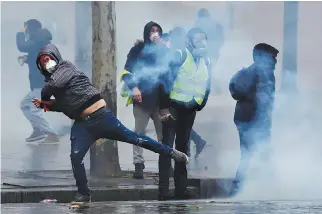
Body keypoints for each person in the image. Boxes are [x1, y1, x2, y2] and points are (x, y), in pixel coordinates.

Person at [32, 43, 189, 203]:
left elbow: (51, 87)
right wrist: (48, 105)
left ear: (55, 57)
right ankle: (84, 194)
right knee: (75, 156)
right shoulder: (55, 84)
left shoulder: (66, 68)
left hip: (102, 117)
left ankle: (170, 152)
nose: (46, 64)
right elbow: (65, 105)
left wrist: (45, 99)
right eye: (43, 63)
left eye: (48, 59)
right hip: (82, 124)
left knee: (135, 138)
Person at [158, 28, 212, 200]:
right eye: (198, 39)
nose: (202, 43)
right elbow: (164, 81)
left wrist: (200, 104)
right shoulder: (180, 55)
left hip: (190, 110)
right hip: (173, 108)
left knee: (183, 149)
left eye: (204, 39)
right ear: (189, 41)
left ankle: (181, 189)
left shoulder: (206, 61)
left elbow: (206, 85)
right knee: (167, 148)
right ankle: (164, 190)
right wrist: (164, 108)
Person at [228, 43, 279, 196]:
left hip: (246, 117)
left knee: (252, 155)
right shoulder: (263, 72)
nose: (275, 60)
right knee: (254, 155)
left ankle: (255, 189)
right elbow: (264, 99)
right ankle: (238, 191)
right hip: (254, 120)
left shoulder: (251, 70)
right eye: (273, 57)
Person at [120, 21, 168, 179]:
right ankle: (138, 165)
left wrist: (165, 47)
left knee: (164, 135)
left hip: (161, 101)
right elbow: (126, 72)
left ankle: (167, 165)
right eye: (152, 31)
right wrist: (134, 88)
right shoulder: (138, 50)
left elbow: (174, 66)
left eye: (157, 31)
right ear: (146, 33)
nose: (155, 33)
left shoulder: (165, 50)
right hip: (142, 99)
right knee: (139, 133)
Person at [16, 19, 59, 143]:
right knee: (25, 105)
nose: (26, 33)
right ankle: (38, 130)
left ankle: (51, 134)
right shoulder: (40, 41)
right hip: (39, 83)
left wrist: (20, 33)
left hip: (41, 83)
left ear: (30, 29)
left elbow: (22, 46)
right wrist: (27, 59)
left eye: (27, 29)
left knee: (35, 111)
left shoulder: (39, 40)